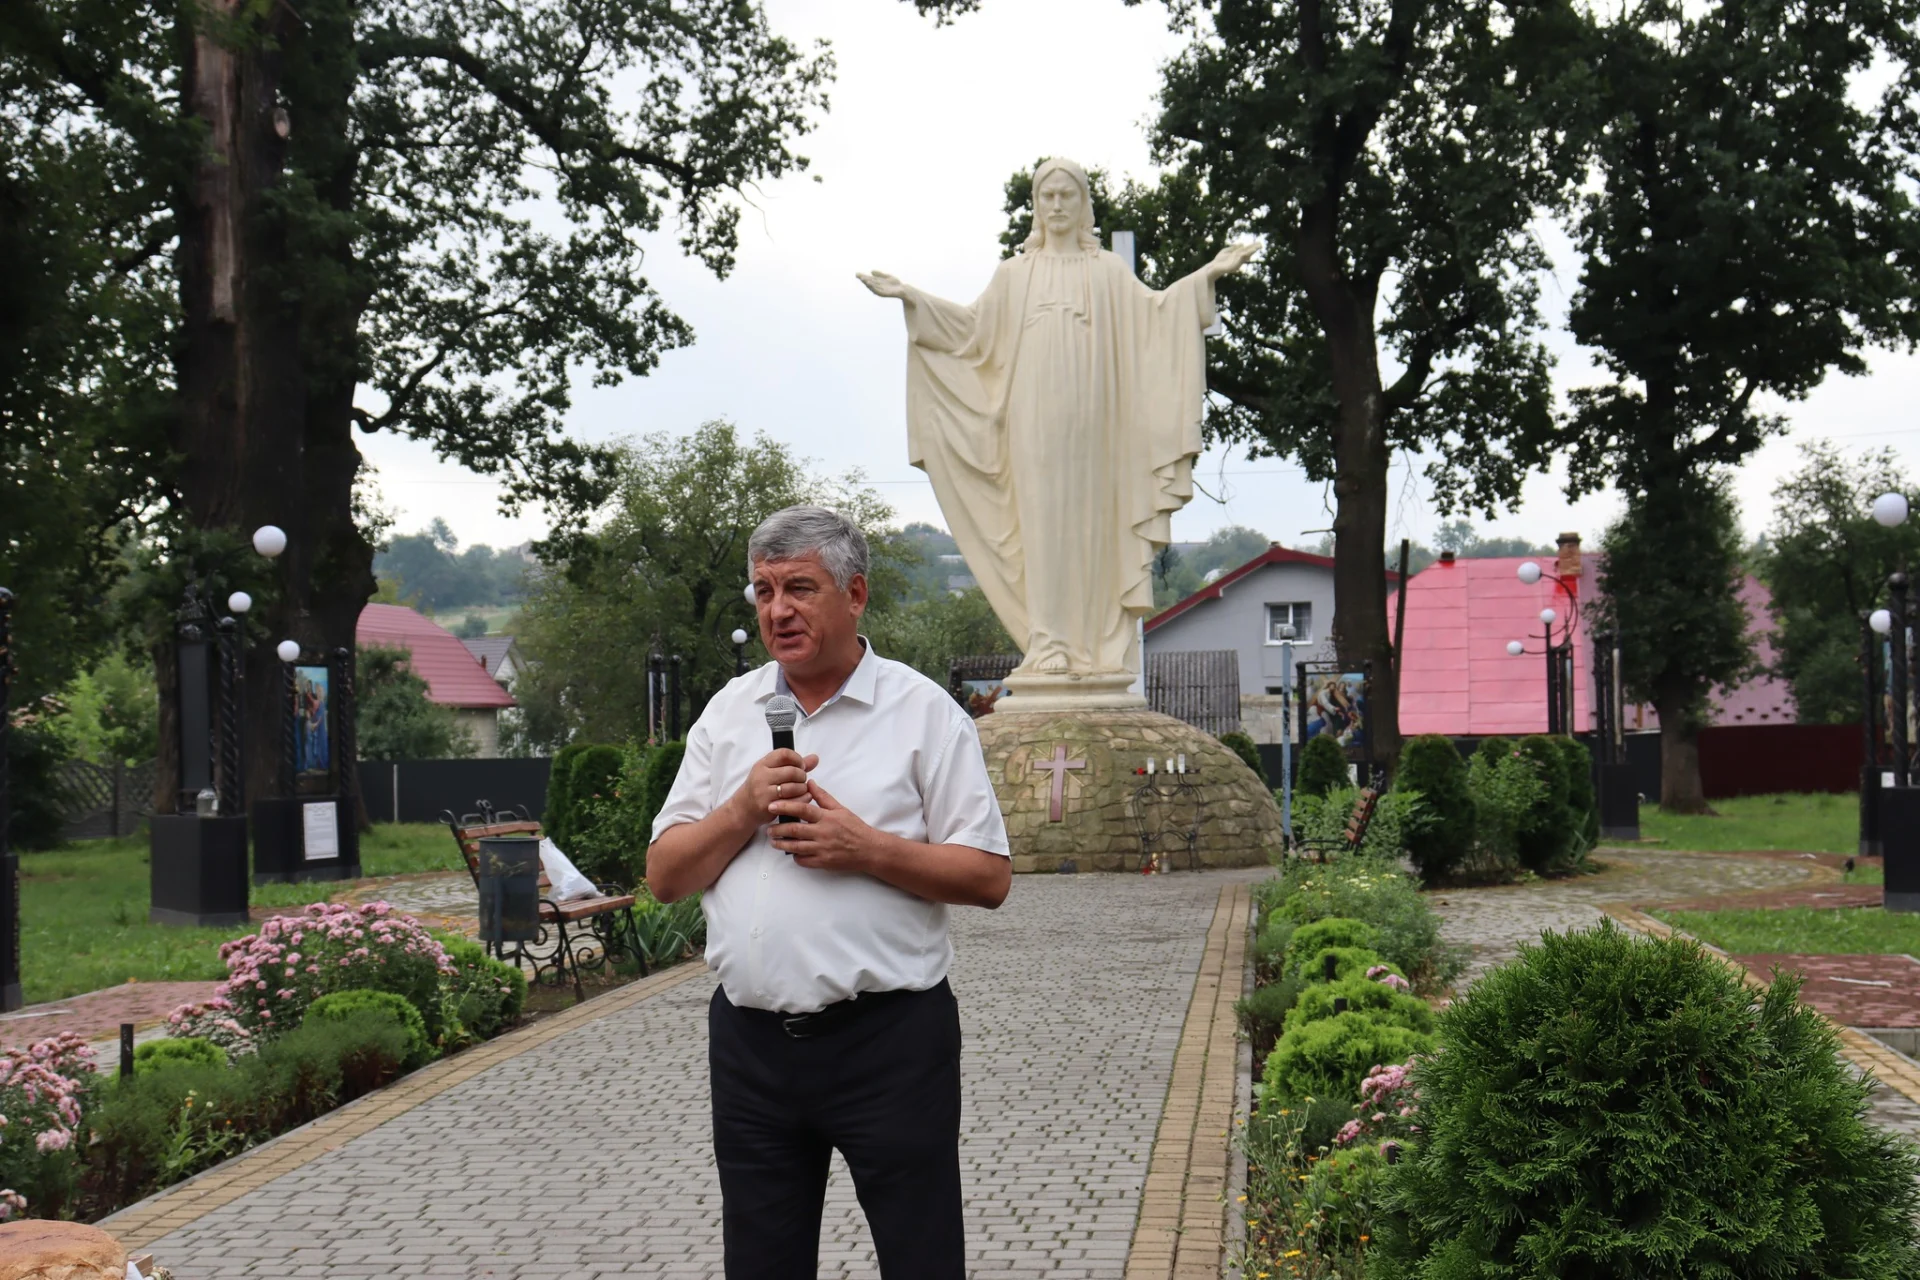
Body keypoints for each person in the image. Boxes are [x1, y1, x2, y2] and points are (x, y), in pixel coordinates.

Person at [647, 504, 1012, 1280]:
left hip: (889, 1043)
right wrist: (741, 809)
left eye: (800, 588)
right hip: (749, 1048)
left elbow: (988, 877)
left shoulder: (923, 714)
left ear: (855, 595)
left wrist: (867, 849)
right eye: (763, 591)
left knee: (921, 1261)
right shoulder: (729, 713)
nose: (777, 610)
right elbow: (665, 875)